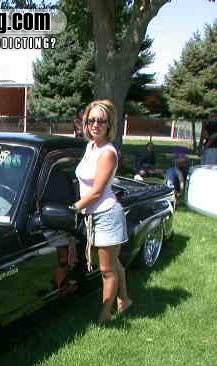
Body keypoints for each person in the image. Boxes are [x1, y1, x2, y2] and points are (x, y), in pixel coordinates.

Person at [72, 99, 132, 325]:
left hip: (106, 214)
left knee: (107, 270)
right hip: (93, 215)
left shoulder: (107, 153)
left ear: (109, 124)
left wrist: (75, 207)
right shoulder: (91, 147)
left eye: (101, 121)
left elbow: (97, 191)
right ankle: (124, 301)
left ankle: (104, 316)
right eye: (91, 120)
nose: (95, 125)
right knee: (114, 264)